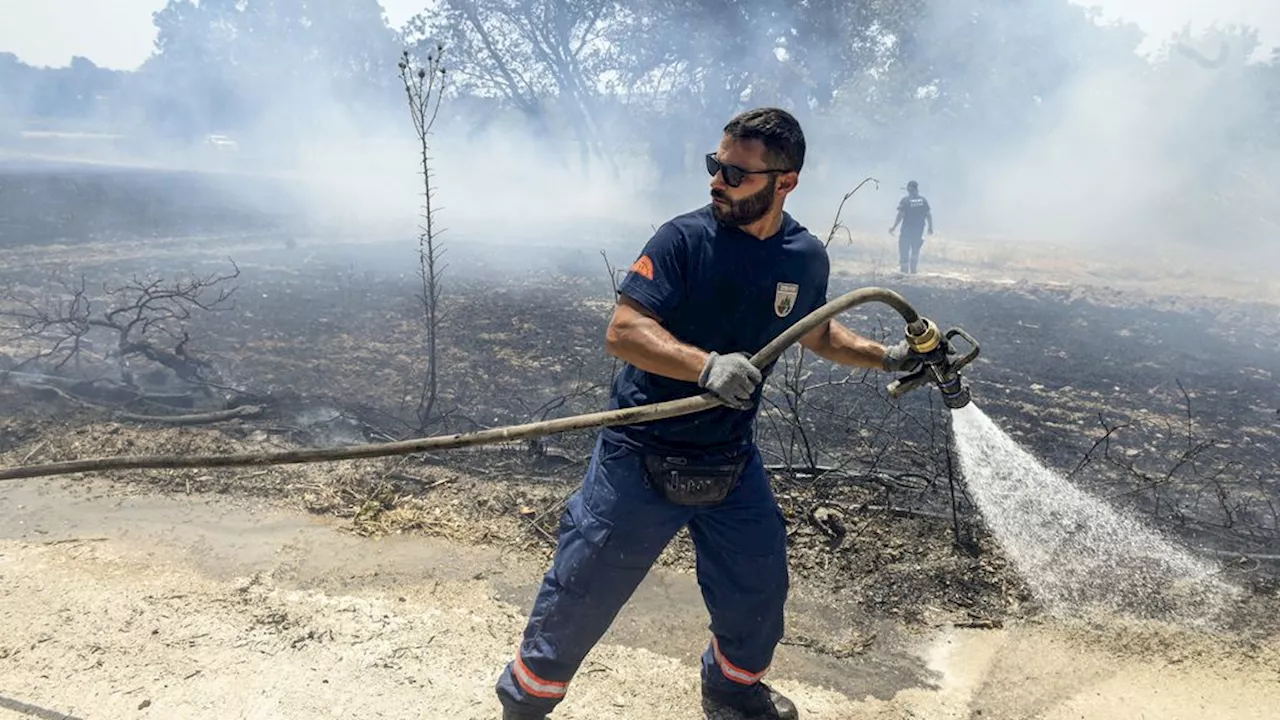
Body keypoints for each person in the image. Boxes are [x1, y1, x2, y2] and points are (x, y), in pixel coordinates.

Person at [494, 107, 924, 720]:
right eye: (714, 167)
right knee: (581, 590)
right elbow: (624, 330)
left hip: (729, 458)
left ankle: (732, 692)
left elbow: (819, 335)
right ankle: (524, 706)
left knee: (758, 589)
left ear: (785, 182)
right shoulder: (682, 240)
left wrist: (889, 357)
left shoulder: (803, 258)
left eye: (735, 174)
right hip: (641, 451)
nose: (717, 182)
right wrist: (704, 367)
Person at [888, 180, 933, 274]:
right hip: (919, 230)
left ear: (909, 189)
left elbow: (900, 215)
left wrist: (894, 227)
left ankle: (904, 272)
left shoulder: (905, 200)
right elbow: (928, 215)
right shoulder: (923, 200)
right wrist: (930, 227)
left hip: (907, 231)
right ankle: (913, 270)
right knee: (915, 250)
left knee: (904, 250)